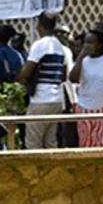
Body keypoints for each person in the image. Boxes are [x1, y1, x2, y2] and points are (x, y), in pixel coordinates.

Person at [16, 11, 69, 149]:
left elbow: (26, 74)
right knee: (51, 142)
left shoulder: (39, 45)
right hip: (57, 99)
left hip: (41, 99)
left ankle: (35, 170)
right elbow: (64, 76)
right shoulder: (59, 46)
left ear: (39, 25)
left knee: (33, 142)